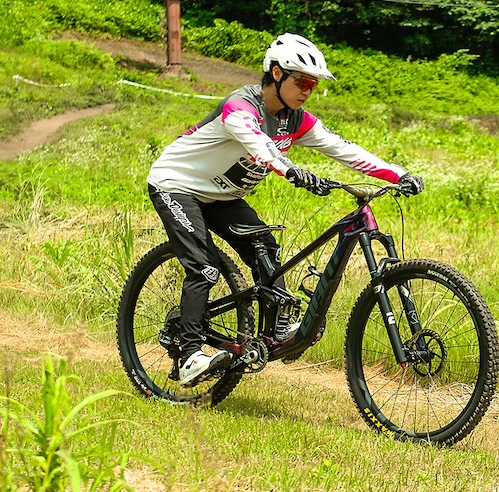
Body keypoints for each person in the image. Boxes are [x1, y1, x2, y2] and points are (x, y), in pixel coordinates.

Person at [146, 33, 424, 387]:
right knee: (204, 267)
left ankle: (272, 332)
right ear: (276, 74)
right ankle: (188, 355)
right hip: (177, 184)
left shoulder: (296, 119)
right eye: (302, 81)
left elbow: (343, 149)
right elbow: (261, 146)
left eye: (313, 84)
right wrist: (291, 169)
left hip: (222, 196)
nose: (308, 90)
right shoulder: (241, 107)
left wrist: (399, 174)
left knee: (265, 247)